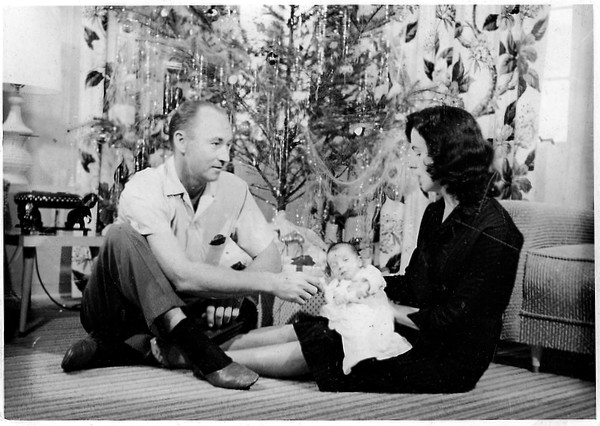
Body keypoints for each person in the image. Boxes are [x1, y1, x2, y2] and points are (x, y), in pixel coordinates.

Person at [169, 105, 523, 393]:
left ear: (447, 155)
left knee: (330, 341)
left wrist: (377, 303)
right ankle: (196, 348)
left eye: (417, 151)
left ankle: (195, 357)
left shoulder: (496, 232)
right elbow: (414, 283)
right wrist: (361, 279)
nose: (411, 161)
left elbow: (453, 322)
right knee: (320, 321)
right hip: (412, 330)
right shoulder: (437, 211)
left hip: (443, 359)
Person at [60, 100, 321, 390]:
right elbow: (181, 276)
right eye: (215, 143)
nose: (225, 155)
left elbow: (270, 256)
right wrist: (268, 283)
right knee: (119, 236)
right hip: (120, 310)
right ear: (181, 141)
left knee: (241, 310)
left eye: (228, 145)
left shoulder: (233, 189)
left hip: (185, 307)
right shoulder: (144, 187)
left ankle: (124, 350)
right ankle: (198, 351)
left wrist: (232, 293)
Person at [320, 242, 412, 374]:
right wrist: (336, 299)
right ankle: (362, 363)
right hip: (353, 323)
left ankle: (380, 360)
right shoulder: (337, 285)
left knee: (381, 340)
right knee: (354, 342)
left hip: (375, 316)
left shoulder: (367, 272)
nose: (340, 266)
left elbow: (376, 280)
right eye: (334, 265)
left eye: (345, 260)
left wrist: (365, 286)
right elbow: (331, 298)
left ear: (358, 261)